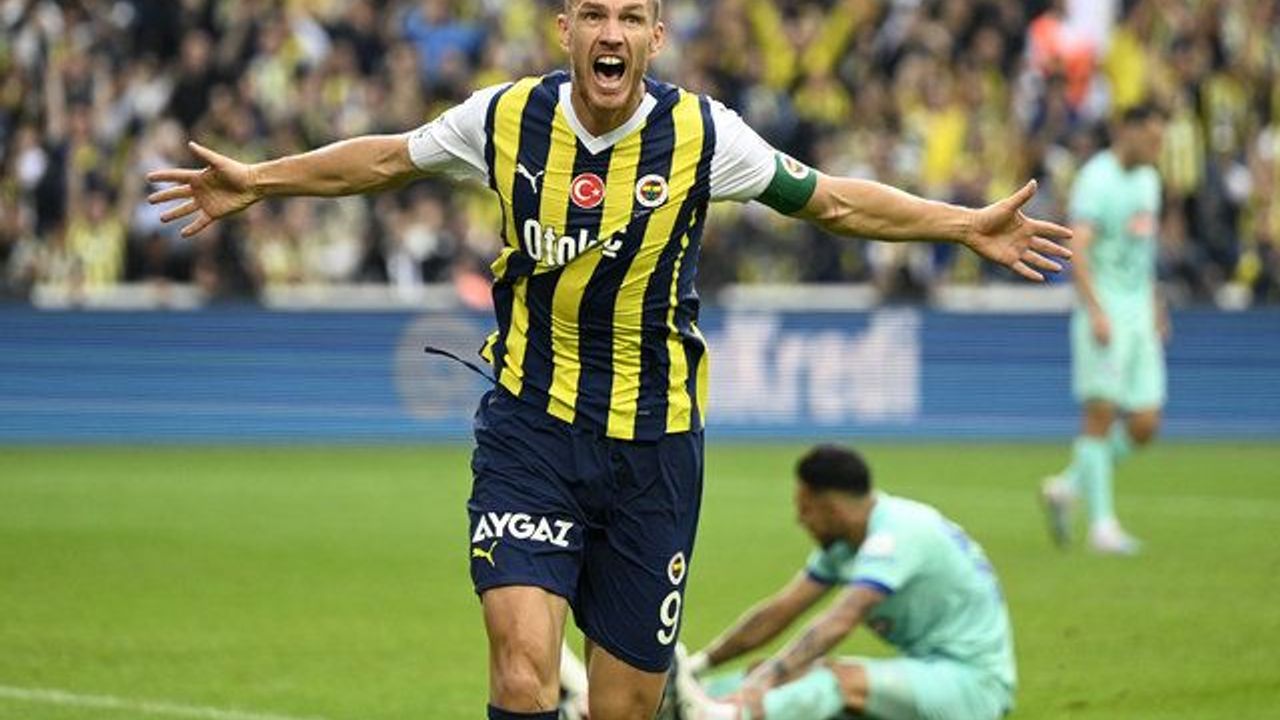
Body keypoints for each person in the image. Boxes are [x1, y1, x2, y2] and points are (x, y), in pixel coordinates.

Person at [147, 2, 1069, 717]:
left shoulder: (705, 135)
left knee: (624, 706)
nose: (611, 33)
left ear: (657, 37)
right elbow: (387, 159)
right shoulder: (505, 117)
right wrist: (258, 179)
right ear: (566, 29)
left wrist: (962, 224)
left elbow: (831, 200)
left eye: (631, 17)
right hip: (532, 426)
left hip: (654, 450)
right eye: (594, 14)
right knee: (523, 675)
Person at [675, 444, 1016, 720]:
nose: (799, 520)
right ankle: (693, 702)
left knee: (835, 680)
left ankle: (718, 716)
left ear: (832, 508)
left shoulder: (897, 535)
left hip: (973, 685)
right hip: (925, 672)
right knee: (786, 675)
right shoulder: (846, 544)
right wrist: (698, 666)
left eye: (805, 508)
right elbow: (780, 611)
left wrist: (764, 682)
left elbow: (840, 620)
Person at [1041, 103, 1167, 555]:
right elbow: (1079, 249)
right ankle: (1102, 527)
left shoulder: (1150, 180)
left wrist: (1156, 303)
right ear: (1126, 132)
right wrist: (1095, 310)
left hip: (1139, 312)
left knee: (1145, 422)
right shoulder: (1096, 179)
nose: (1157, 147)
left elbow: (1144, 253)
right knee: (1099, 415)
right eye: (1151, 138)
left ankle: (1068, 486)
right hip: (1105, 309)